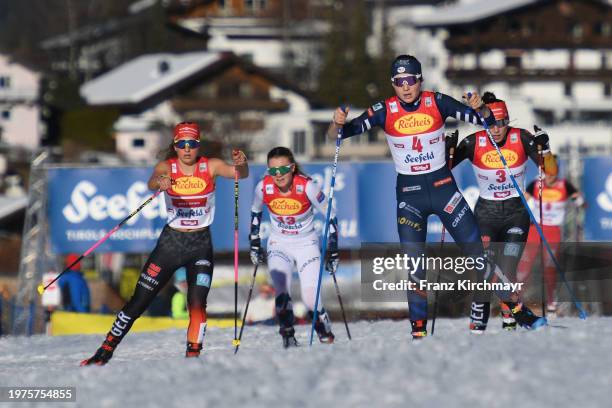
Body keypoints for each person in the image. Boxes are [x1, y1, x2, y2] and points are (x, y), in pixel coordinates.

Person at [330, 54, 544, 338]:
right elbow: (341, 134)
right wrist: (337, 123)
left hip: (444, 190)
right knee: (415, 266)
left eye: (411, 81)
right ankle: (418, 330)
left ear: (420, 80)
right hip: (410, 197)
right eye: (399, 82)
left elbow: (483, 121)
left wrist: (480, 108)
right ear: (392, 84)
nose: (405, 87)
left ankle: (517, 311)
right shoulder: (385, 109)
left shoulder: (437, 102)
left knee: (479, 257)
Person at [81, 122, 248, 365]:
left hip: (200, 244)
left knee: (198, 302)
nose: (187, 149)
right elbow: (153, 180)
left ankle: (193, 357)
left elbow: (238, 175)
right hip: (171, 243)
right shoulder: (167, 166)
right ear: (175, 146)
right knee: (139, 301)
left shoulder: (209, 165)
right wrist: (161, 182)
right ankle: (105, 350)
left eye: (192, 144)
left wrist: (241, 163)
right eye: (182, 144)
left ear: (198, 145)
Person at [449, 92, 555, 332]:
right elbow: (444, 170)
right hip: (486, 214)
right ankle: (479, 319)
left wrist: (546, 150)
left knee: (507, 266)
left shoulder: (521, 138)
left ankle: (510, 318)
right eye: (491, 124)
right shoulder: (475, 141)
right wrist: (449, 151)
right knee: (484, 268)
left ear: (508, 121)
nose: (496, 130)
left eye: (501, 123)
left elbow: (549, 172)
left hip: (515, 213)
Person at [250, 146, 337, 347]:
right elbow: (255, 213)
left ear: (293, 168)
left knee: (309, 299)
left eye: (283, 170)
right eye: (272, 171)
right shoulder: (263, 187)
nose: (278, 175)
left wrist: (333, 249)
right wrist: (254, 243)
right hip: (279, 243)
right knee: (281, 290)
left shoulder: (307, 186)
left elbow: (331, 214)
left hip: (306, 244)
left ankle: (324, 331)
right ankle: (287, 334)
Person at [517, 156, 586, 315]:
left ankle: (551, 302)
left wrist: (580, 201)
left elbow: (579, 201)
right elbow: (521, 202)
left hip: (553, 231)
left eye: (553, 175)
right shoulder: (535, 184)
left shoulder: (564, 185)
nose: (550, 178)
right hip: (535, 229)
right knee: (524, 267)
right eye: (547, 174)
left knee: (550, 267)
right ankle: (516, 299)